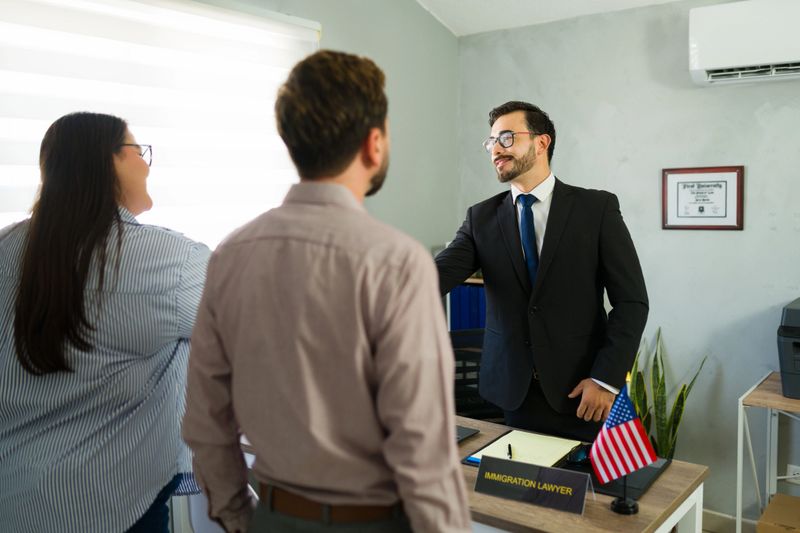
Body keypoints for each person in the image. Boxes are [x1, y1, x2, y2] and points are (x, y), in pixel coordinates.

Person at [182, 50, 471, 533]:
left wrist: (239, 516)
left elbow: (205, 421)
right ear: (373, 144)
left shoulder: (230, 254)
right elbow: (423, 449)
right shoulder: (398, 262)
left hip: (272, 519)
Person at [0, 112, 210, 533]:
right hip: (111, 509)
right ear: (107, 162)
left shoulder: (7, 248)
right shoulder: (166, 262)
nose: (146, 164)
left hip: (15, 501)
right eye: (138, 151)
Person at [436, 101, 648, 442]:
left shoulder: (596, 210)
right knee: (514, 492)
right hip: (510, 396)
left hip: (583, 392)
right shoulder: (481, 218)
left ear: (541, 143)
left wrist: (605, 379)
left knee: (586, 494)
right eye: (491, 142)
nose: (496, 150)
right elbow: (433, 276)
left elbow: (632, 302)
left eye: (506, 138)